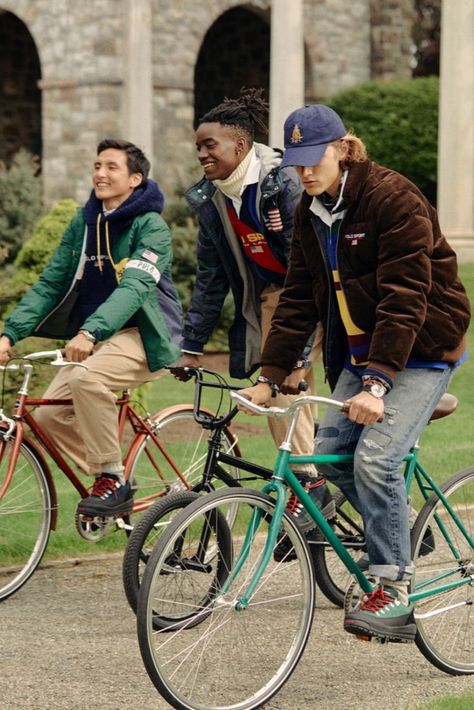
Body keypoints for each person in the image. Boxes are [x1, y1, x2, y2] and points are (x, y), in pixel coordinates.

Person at [237, 104, 470, 642]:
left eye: (312, 159)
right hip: (361, 353)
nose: (304, 173)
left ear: (343, 148)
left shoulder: (394, 198)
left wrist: (378, 381)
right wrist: (271, 375)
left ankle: (393, 589)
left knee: (375, 457)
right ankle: (400, 529)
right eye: (294, 164)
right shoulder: (310, 209)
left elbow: (405, 297)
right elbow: (298, 297)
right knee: (330, 456)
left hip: (420, 347)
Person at [172, 89, 334, 534]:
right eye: (199, 147)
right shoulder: (213, 200)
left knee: (281, 378)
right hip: (274, 295)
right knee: (285, 388)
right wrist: (191, 346)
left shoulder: (282, 182)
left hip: (318, 290)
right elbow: (211, 277)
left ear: (240, 146)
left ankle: (308, 484)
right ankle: (312, 488)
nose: (202, 154)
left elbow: (312, 259)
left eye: (211, 146)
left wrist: (293, 353)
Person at [0, 139, 183, 518]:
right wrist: (9, 333)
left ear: (135, 178)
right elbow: (50, 284)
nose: (100, 173)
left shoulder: (151, 228)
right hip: (97, 337)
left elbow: (134, 288)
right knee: (48, 417)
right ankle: (113, 479)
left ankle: (111, 478)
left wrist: (90, 333)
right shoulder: (84, 223)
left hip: (145, 336)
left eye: (111, 167)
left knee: (86, 380)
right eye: (97, 165)